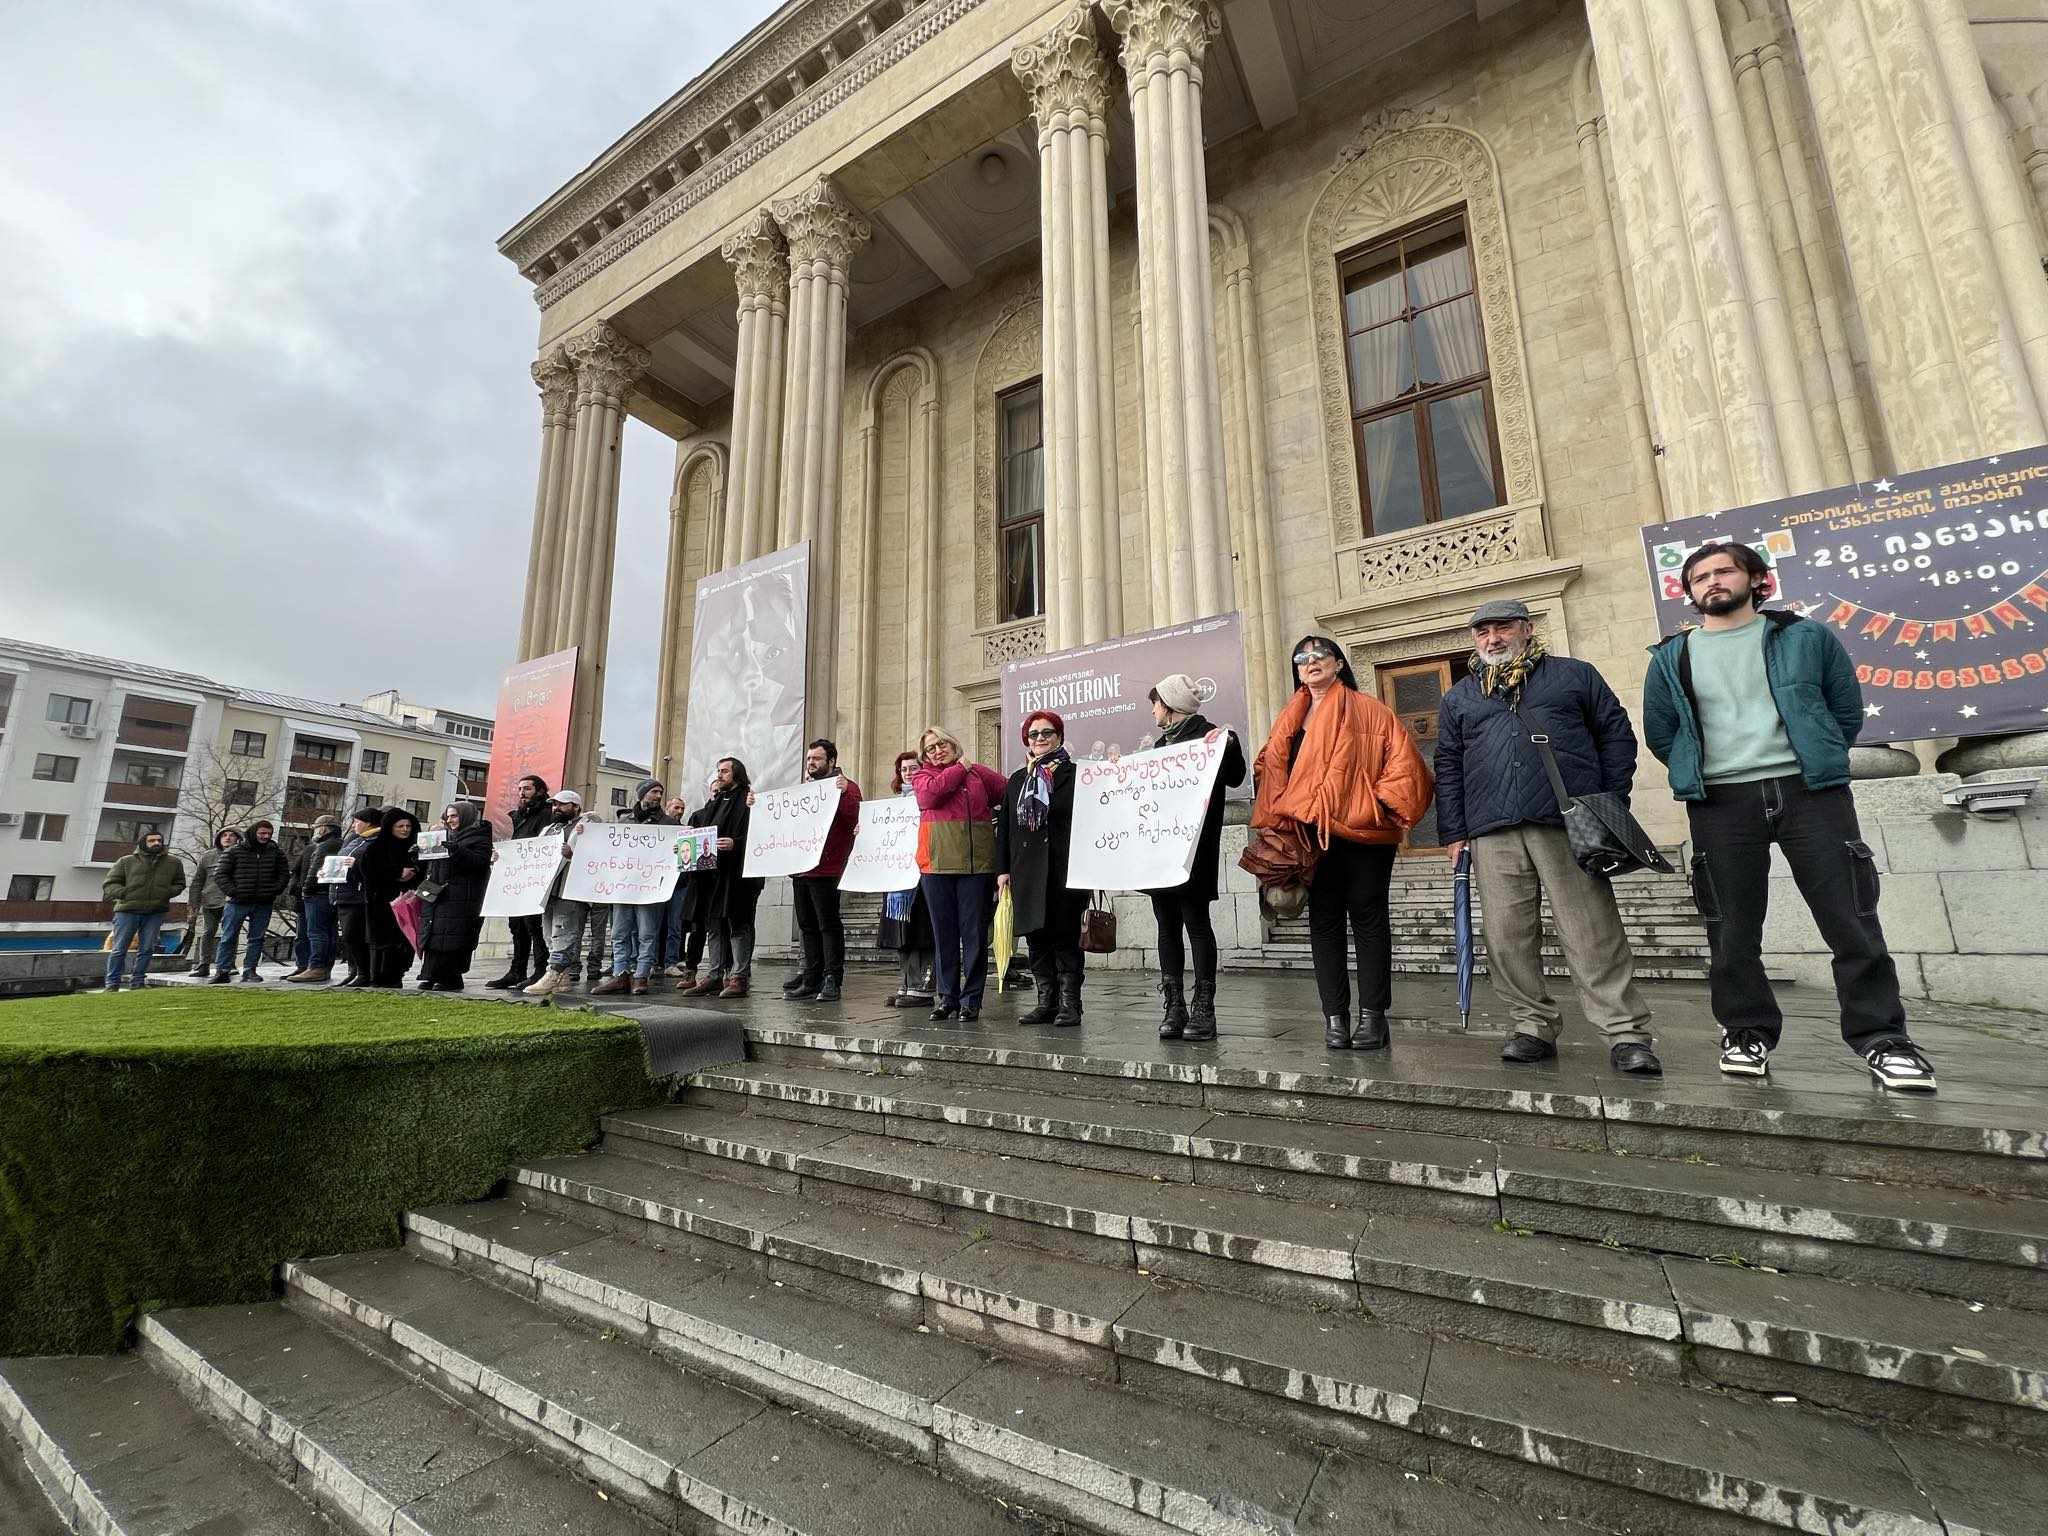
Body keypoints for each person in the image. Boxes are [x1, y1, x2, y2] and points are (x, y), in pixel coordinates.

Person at [1644, 541, 1936, 1092]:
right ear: (1689, 592)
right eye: (1700, 577)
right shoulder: (1670, 657)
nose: (1713, 582)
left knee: (1850, 919)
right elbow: (1663, 732)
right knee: (1730, 928)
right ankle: (1746, 1031)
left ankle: (1883, 1039)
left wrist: (1814, 755)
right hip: (1721, 802)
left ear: (1756, 579)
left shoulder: (1804, 637)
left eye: (1724, 571)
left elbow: (1843, 708)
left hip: (1810, 794)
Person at [1435, 600, 1662, 1076]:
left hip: (1566, 822)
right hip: (1491, 829)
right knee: (1506, 936)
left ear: (1527, 629)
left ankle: (1625, 1033)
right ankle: (1531, 1025)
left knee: (1591, 930)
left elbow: (1616, 736)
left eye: (1503, 629)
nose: (1493, 639)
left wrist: (1608, 802)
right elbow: (1449, 764)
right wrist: (1454, 832)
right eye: (1483, 632)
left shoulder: (1573, 675)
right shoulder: (1461, 697)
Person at [1252, 635, 1433, 1051]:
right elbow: (1269, 768)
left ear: (1337, 664)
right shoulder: (1289, 720)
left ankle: (1374, 1018)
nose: (1311, 662)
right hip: (1311, 836)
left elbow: (1406, 767)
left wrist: (1373, 807)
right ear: (1297, 670)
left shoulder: (1371, 710)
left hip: (1363, 835)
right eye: (1302, 658)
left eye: (1320, 656)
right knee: (1324, 923)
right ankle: (1335, 1018)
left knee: (1369, 921)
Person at [1140, 674, 1246, 1042]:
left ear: (1170, 706)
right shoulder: (1158, 746)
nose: (1152, 710)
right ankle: (1174, 1006)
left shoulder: (1210, 736)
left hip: (1193, 852)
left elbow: (1235, 778)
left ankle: (1204, 1007)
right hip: (1159, 852)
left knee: (1195, 922)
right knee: (1166, 925)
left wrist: (1229, 745)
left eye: (1155, 703)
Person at [911, 726, 1008, 1021]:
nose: (938, 750)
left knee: (975, 935)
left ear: (953, 744)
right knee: (944, 936)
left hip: (976, 867)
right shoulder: (923, 777)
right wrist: (960, 768)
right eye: (931, 748)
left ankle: (972, 1000)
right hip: (936, 867)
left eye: (942, 744)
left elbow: (1009, 790)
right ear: (925, 755)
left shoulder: (978, 774)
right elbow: (931, 797)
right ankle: (948, 997)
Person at [998, 711, 1087, 1026]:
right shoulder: (1018, 780)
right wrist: (1002, 870)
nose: (1040, 738)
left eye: (1047, 732)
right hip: (1027, 871)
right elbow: (1006, 829)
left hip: (1065, 869)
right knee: (1036, 939)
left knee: (1065, 938)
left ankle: (1070, 1004)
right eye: (1033, 734)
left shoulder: (1077, 775)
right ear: (1027, 741)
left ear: (1059, 736)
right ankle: (1045, 1002)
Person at [781, 739, 862, 1003]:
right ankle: (811, 977)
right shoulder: (804, 790)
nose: (811, 763)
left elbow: (856, 818)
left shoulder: (846, 788)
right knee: (807, 925)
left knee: (827, 924)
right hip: (801, 868)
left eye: (817, 758)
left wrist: (845, 792)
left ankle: (832, 978)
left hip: (826, 868)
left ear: (831, 762)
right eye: (809, 759)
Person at [684, 758, 763, 998]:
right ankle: (715, 974)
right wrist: (687, 847)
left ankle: (739, 976)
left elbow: (761, 835)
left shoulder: (749, 800)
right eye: (718, 771)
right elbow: (702, 832)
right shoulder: (716, 802)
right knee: (715, 926)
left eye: (725, 771)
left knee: (739, 925)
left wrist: (736, 844)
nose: (720, 775)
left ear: (737, 773)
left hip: (739, 876)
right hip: (714, 876)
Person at [594, 778, 676, 997]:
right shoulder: (623, 821)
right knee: (620, 933)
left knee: (647, 934)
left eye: (660, 792)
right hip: (623, 885)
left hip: (651, 888)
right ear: (642, 794)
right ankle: (621, 974)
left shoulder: (669, 824)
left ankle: (641, 976)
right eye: (653, 792)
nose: (658, 796)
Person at [524, 789, 596, 997]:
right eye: (554, 804)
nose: (556, 808)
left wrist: (574, 854)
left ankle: (553, 972)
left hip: (570, 889)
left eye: (562, 804)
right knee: (549, 933)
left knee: (563, 931)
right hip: (549, 889)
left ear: (575, 806)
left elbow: (597, 853)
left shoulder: (587, 826)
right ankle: (561, 974)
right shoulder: (550, 829)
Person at [879, 750, 935, 1008]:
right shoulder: (893, 806)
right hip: (896, 877)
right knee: (902, 932)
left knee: (921, 933)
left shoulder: (931, 800)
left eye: (913, 768)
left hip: (922, 878)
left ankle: (923, 987)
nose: (909, 773)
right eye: (904, 770)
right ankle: (907, 983)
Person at [487, 774, 553, 989]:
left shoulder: (546, 814)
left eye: (527, 789)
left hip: (534, 880)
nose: (522, 793)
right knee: (517, 926)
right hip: (518, 879)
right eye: (520, 789)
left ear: (540, 791)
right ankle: (517, 970)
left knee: (534, 927)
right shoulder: (519, 816)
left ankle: (541, 970)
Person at [417, 803, 493, 989]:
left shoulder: (479, 837)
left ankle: (451, 977)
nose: (450, 820)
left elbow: (478, 862)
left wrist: (456, 850)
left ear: (465, 816)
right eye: (448, 816)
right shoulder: (445, 836)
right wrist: (417, 855)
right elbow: (434, 866)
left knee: (454, 936)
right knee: (434, 934)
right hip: (438, 892)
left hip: (463, 896)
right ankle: (431, 975)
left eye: (454, 816)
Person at [102, 830, 186, 992]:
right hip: (127, 911)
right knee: (119, 948)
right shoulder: (126, 861)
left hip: (155, 911)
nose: (156, 843)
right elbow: (110, 884)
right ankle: (112, 984)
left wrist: (167, 892)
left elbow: (180, 883)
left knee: (147, 949)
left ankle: (138, 982)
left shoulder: (173, 863)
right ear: (143, 843)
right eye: (152, 840)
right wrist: (124, 894)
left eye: (159, 840)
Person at [210, 817, 290, 983]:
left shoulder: (276, 852)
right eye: (262, 833)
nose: (265, 836)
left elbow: (284, 874)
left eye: (269, 833)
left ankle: (250, 970)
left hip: (263, 902)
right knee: (228, 936)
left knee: (257, 938)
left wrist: (275, 890)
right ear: (254, 833)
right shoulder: (234, 851)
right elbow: (220, 873)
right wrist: (233, 891)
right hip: (237, 902)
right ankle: (222, 970)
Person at [359, 805, 423, 986]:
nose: (405, 830)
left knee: (402, 943)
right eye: (400, 826)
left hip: (407, 905)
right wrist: (396, 873)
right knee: (382, 944)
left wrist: (414, 872)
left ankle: (396, 976)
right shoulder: (375, 849)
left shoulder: (413, 849)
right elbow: (369, 873)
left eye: (408, 827)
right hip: (381, 904)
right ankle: (378, 977)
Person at [328, 807, 384, 987]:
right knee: (349, 936)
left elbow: (377, 867)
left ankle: (364, 973)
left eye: (357, 821)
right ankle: (358, 971)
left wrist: (357, 864)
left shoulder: (376, 841)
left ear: (368, 823)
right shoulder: (357, 840)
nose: (354, 825)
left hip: (358, 895)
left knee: (355, 935)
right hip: (343, 892)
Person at [284, 815, 342, 984]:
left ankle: (316, 967)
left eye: (317, 827)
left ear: (324, 828)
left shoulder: (324, 845)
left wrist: (306, 890)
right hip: (328, 894)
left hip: (317, 894)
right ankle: (322, 967)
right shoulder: (337, 844)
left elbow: (315, 870)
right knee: (328, 932)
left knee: (316, 932)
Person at [185, 827, 238, 978]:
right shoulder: (208, 856)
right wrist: (193, 905)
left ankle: (229, 964)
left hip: (232, 900)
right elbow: (197, 881)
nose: (227, 838)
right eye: (224, 835)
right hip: (210, 900)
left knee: (230, 932)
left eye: (232, 835)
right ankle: (203, 965)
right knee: (208, 932)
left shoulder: (242, 855)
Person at [659, 794, 698, 980]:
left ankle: (671, 962)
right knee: (653, 926)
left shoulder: (686, 831)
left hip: (679, 885)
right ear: (667, 808)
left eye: (682, 808)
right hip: (658, 883)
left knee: (675, 926)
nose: (680, 812)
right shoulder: (657, 828)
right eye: (676, 808)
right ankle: (651, 961)